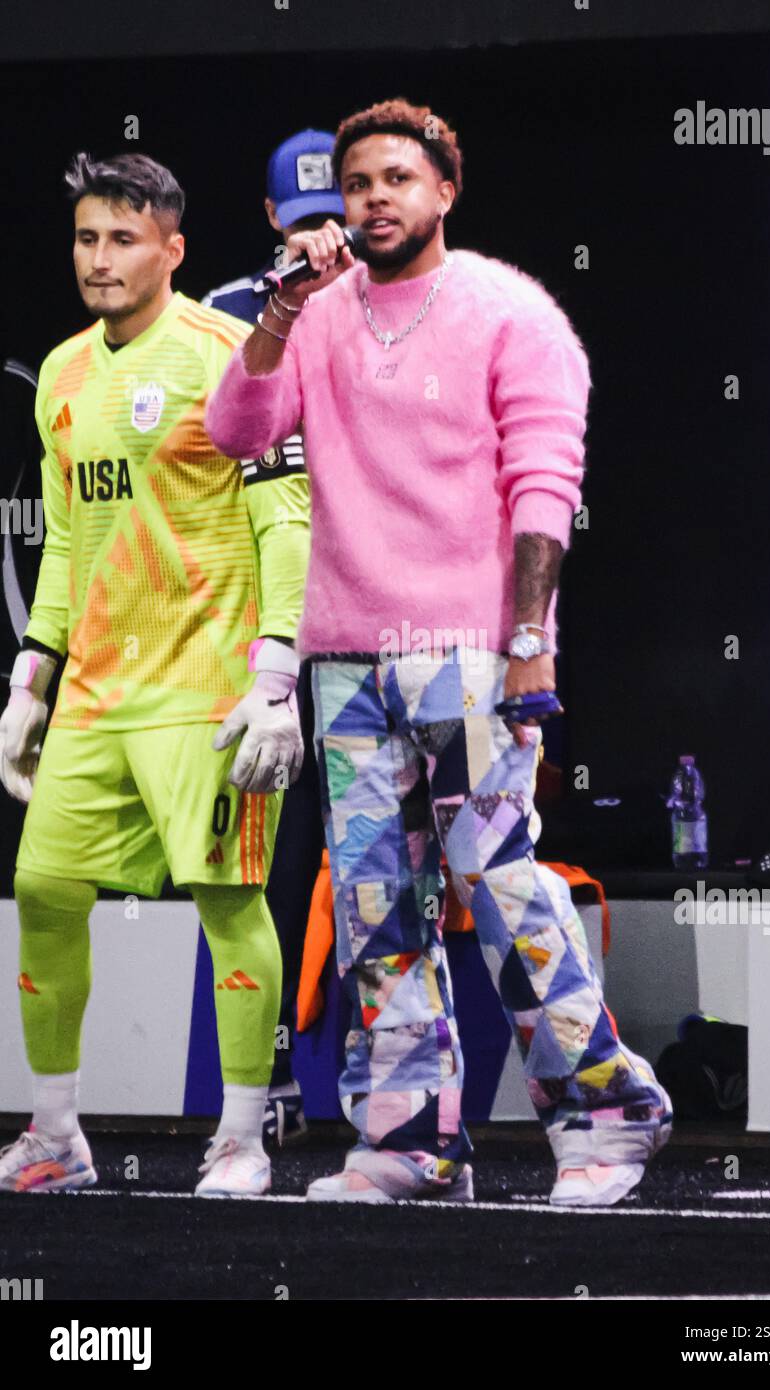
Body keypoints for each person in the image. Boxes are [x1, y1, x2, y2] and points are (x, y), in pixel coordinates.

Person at [206, 97, 673, 1207]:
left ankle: (609, 1111)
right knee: (375, 911)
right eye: (356, 183)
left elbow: (543, 490)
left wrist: (528, 647)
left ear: (444, 191)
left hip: (467, 657)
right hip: (343, 663)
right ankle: (409, 1140)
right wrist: (279, 308)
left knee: (500, 888)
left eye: (396, 180)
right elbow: (232, 432)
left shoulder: (509, 310)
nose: (373, 199)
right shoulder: (312, 317)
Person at [0, 151, 308, 1197]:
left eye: (123, 239)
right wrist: (31, 678)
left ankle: (238, 1136)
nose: (100, 258)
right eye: (87, 238)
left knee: (228, 898)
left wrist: (275, 671)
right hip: (92, 693)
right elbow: (66, 545)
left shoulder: (235, 353)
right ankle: (55, 1132)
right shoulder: (61, 374)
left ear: (171, 249)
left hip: (204, 688)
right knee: (42, 886)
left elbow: (285, 518)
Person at [201, 130, 345, 1147]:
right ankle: (275, 1079)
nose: (319, 237)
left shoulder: (395, 311)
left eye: (332, 215)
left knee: (390, 867)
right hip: (271, 646)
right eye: (300, 223)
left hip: (376, 630)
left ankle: (401, 1088)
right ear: (269, 222)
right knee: (274, 866)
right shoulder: (221, 316)